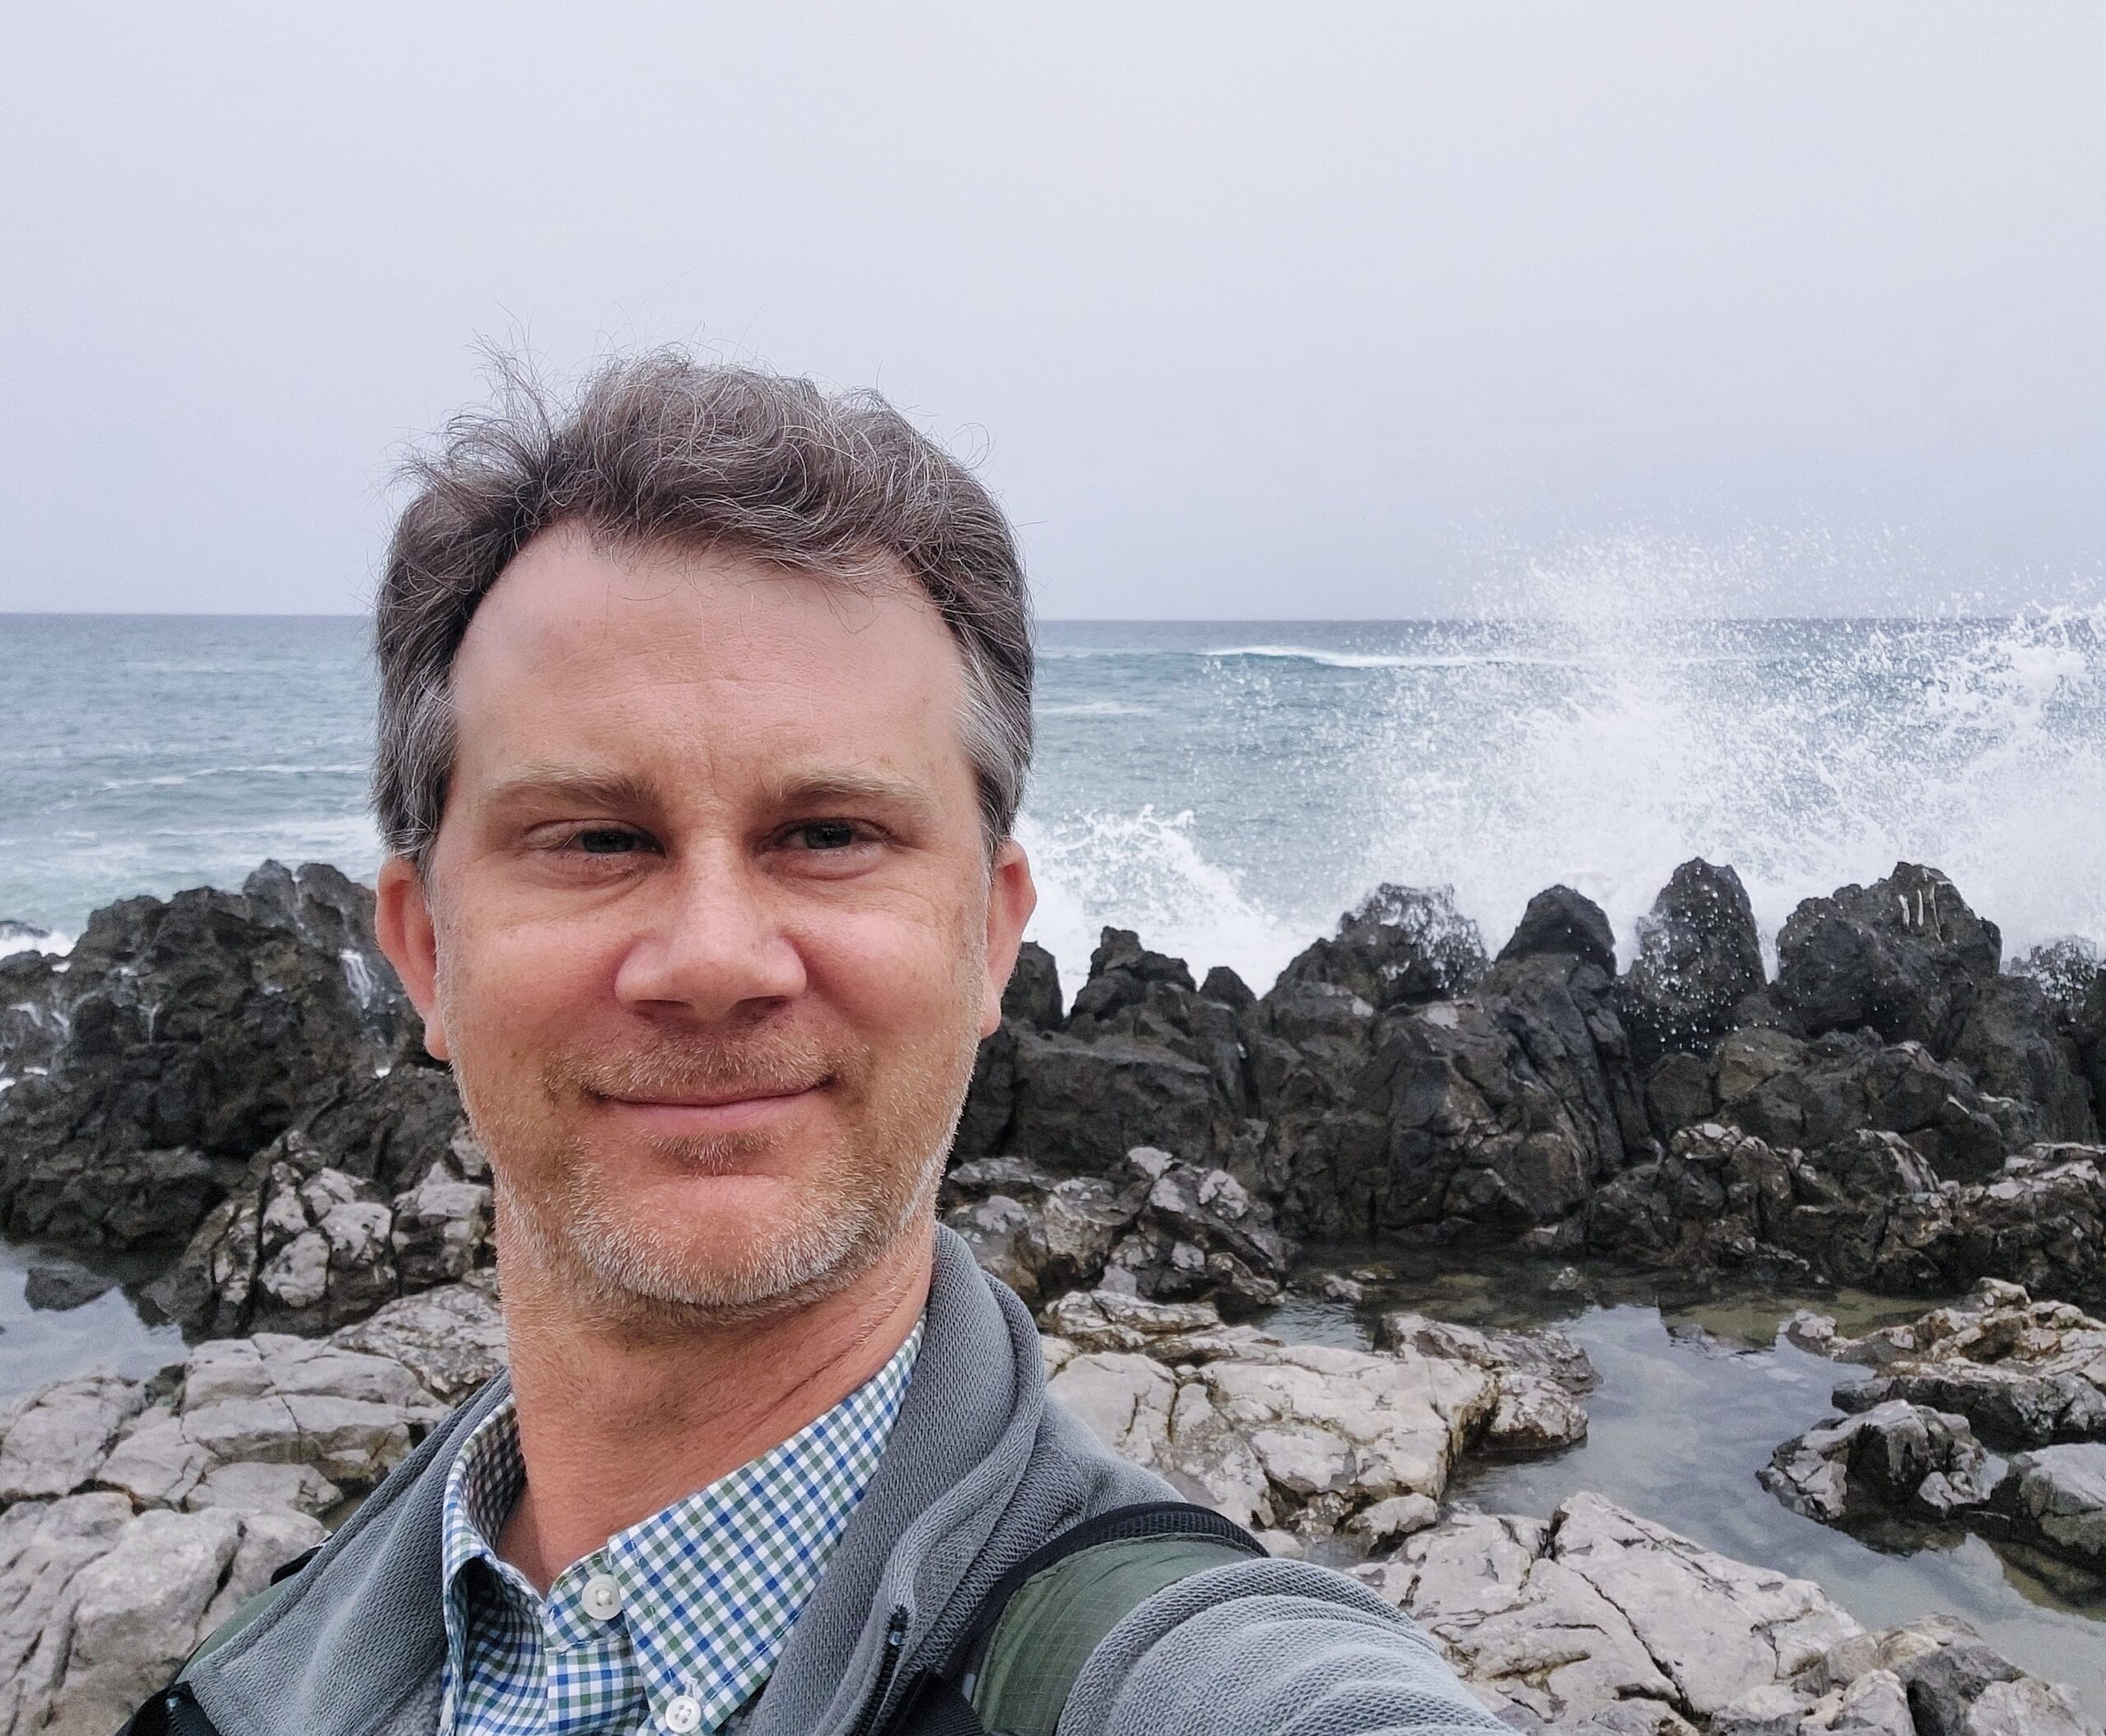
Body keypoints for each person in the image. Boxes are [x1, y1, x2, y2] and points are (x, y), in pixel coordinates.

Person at [134, 355, 1508, 1736]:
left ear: (989, 936)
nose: (717, 960)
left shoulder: (1168, 1679)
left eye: (830, 834)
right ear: (424, 950)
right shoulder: (258, 1678)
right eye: (599, 837)